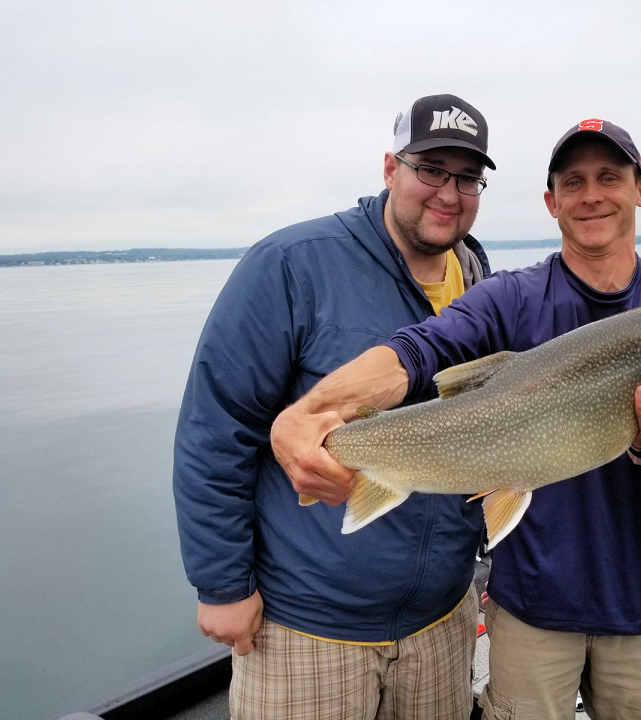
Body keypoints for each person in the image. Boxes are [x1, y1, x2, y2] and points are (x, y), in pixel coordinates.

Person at [270, 117, 641, 719]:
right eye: (573, 182)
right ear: (551, 202)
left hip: (639, 599)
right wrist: (311, 413)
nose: (591, 194)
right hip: (529, 604)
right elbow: (418, 350)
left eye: (609, 177)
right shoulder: (510, 297)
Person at [172, 93, 497, 720]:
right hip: (309, 629)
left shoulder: (480, 280)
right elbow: (216, 427)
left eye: (466, 177)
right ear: (389, 168)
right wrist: (221, 586)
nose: (448, 194)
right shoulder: (293, 265)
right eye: (430, 170)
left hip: (442, 623)